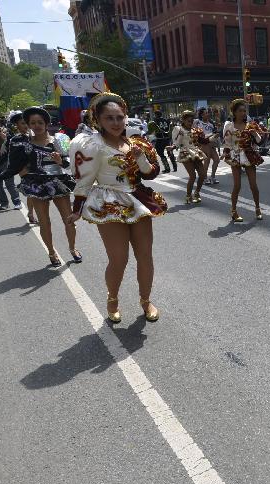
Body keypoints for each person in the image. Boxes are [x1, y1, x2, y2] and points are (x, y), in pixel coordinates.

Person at [66, 92, 167, 323]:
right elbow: (85, 180)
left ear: (125, 118)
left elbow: (152, 173)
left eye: (119, 117)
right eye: (109, 118)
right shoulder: (93, 145)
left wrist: (141, 159)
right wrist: (76, 209)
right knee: (119, 258)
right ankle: (112, 299)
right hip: (108, 202)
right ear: (98, 120)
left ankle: (145, 300)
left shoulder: (135, 142)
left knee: (145, 256)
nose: (115, 123)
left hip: (137, 199)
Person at [0, 106, 81, 267]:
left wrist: (60, 161)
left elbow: (72, 165)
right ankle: (51, 252)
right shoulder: (21, 143)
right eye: (33, 123)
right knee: (44, 222)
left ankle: (73, 248)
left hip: (59, 182)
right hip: (36, 185)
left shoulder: (60, 140)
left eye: (40, 122)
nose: (37, 125)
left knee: (69, 220)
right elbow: (12, 167)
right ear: (28, 125)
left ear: (47, 123)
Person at [222, 98, 264, 223]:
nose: (243, 113)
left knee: (253, 185)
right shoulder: (229, 126)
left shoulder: (250, 125)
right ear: (234, 112)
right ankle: (234, 211)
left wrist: (255, 133)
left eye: (244, 111)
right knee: (237, 185)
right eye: (240, 111)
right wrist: (225, 153)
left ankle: (257, 208)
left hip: (249, 155)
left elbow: (258, 141)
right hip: (235, 156)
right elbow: (227, 143)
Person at [171, 110, 207, 203]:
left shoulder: (194, 130)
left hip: (196, 153)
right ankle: (188, 195)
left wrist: (212, 138)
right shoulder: (180, 130)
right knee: (193, 176)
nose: (190, 123)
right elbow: (177, 143)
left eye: (192, 121)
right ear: (183, 120)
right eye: (188, 121)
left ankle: (197, 193)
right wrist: (172, 147)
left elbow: (202, 140)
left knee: (203, 175)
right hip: (186, 153)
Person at [195, 107, 221, 185]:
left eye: (207, 113)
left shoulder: (211, 123)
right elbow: (198, 135)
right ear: (202, 115)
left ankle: (212, 176)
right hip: (204, 144)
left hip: (211, 144)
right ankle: (205, 178)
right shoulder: (198, 123)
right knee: (207, 160)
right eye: (206, 113)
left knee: (217, 160)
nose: (208, 114)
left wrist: (216, 134)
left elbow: (215, 132)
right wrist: (209, 136)